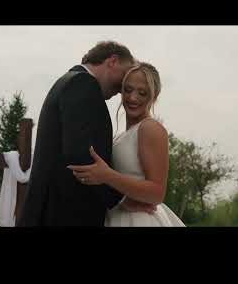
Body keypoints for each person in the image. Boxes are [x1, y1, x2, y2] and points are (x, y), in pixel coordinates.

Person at [16, 41, 156, 226]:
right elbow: (80, 154)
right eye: (125, 75)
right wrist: (120, 200)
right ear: (112, 61)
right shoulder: (83, 84)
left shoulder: (70, 81)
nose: (123, 86)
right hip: (64, 215)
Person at [68, 62, 185, 226]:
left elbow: (157, 193)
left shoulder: (150, 128)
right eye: (128, 90)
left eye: (142, 93)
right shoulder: (120, 136)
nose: (132, 98)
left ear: (154, 95)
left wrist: (107, 176)